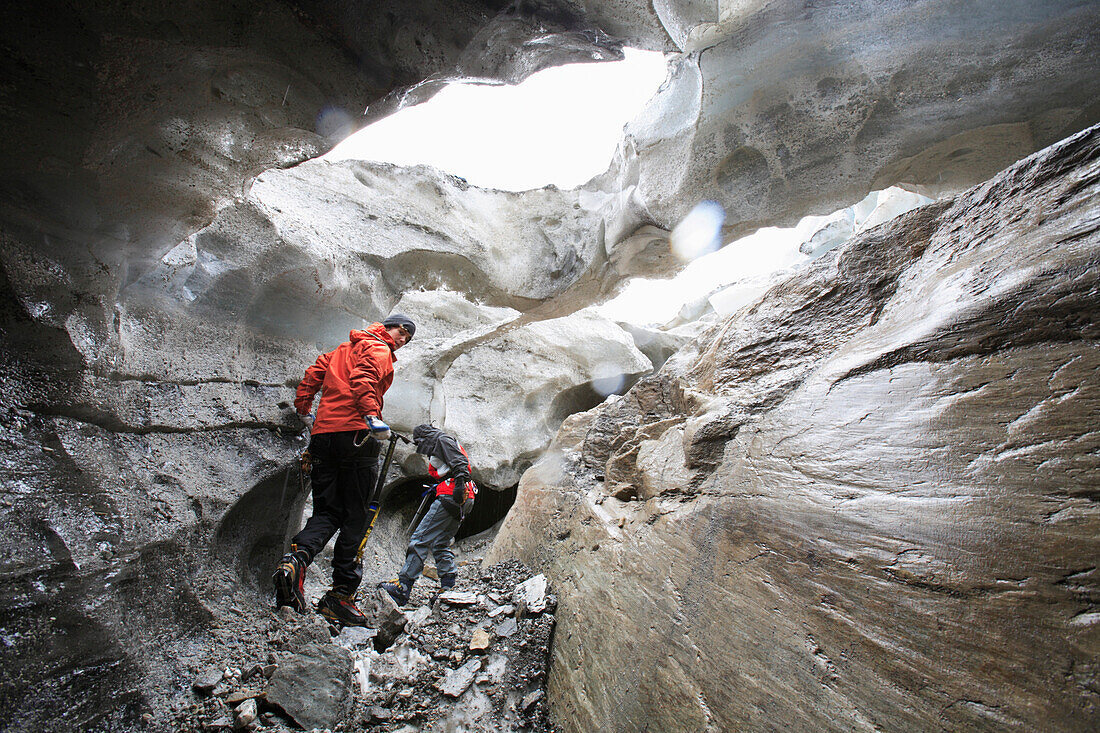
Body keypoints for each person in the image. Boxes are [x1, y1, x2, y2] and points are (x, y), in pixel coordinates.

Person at [273, 313, 416, 626]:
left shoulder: (339, 351)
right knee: (357, 517)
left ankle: (295, 561)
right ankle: (340, 596)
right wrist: (371, 417)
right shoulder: (379, 351)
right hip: (356, 436)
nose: (403, 339)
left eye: (408, 337)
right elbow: (363, 381)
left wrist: (305, 411)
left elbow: (312, 376)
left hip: (323, 438)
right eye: (402, 332)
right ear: (387, 327)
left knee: (327, 512)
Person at [379, 424, 477, 605]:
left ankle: (403, 586)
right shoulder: (445, 442)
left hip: (452, 493)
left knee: (420, 539)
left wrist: (459, 484)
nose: (419, 445)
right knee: (441, 542)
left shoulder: (442, 440)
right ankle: (448, 584)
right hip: (465, 496)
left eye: (419, 441)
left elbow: (460, 463)